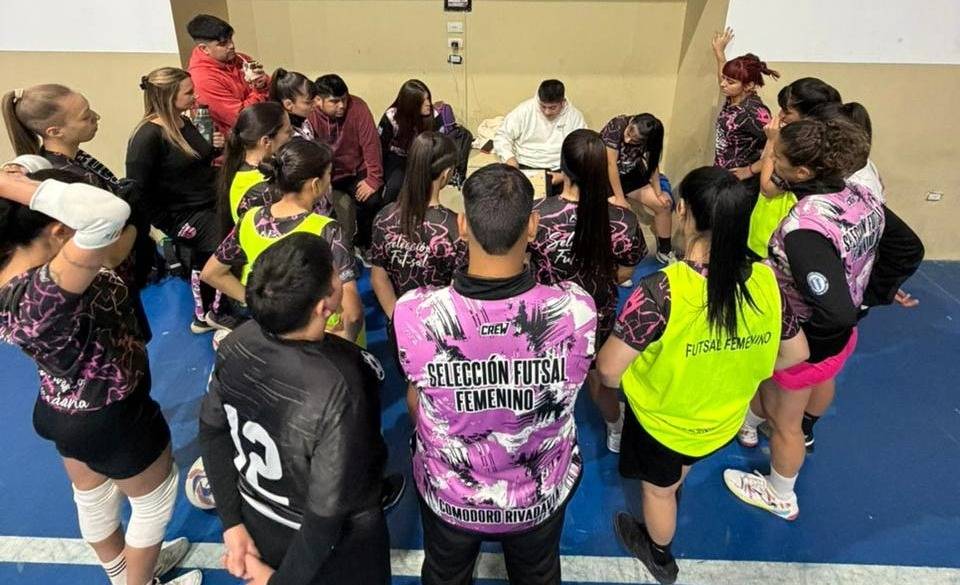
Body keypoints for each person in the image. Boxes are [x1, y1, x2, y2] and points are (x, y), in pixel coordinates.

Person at [596, 167, 809, 585]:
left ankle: (659, 554)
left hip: (663, 422)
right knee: (681, 470)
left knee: (658, 492)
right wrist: (741, 367)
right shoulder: (767, 282)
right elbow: (797, 352)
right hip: (722, 419)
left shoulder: (663, 290)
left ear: (682, 211)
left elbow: (607, 369)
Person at [394, 164, 597, 585]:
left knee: (445, 575)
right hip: (539, 497)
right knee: (537, 575)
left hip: (450, 495)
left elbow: (417, 399)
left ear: (462, 225)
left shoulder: (415, 313)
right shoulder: (576, 311)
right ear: (532, 225)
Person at [0, 173, 199, 585]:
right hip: (111, 414)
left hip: (60, 406)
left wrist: (18, 180)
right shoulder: (40, 295)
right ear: (58, 230)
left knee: (93, 498)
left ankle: (123, 574)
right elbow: (107, 214)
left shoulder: (16, 276)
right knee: (154, 502)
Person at [198, 233, 391, 585]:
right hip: (331, 547)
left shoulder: (234, 343)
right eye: (334, 272)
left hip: (259, 518)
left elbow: (212, 431)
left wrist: (232, 522)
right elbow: (327, 509)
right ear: (323, 306)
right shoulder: (345, 380)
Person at [723, 117, 884, 520]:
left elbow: (835, 312)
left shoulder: (804, 230)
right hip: (838, 338)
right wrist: (868, 294)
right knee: (805, 386)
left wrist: (801, 348)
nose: (771, 160)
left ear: (802, 172)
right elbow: (906, 247)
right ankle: (750, 422)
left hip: (807, 341)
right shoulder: (860, 194)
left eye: (778, 156)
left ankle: (780, 494)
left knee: (787, 424)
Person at [3, 84, 156, 336]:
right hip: (99, 296)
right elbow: (110, 256)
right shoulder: (65, 182)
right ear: (55, 131)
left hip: (121, 284)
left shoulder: (76, 161)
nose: (96, 117)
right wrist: (136, 221)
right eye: (85, 117)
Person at [527, 129, 646, 452]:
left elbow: (522, 261)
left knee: (543, 378)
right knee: (597, 378)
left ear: (562, 167)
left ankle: (539, 437)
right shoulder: (623, 221)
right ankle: (615, 428)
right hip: (598, 313)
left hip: (546, 316)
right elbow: (626, 271)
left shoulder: (537, 214)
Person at [200, 138, 364, 343]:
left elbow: (211, 273)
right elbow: (352, 313)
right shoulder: (327, 230)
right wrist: (344, 344)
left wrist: (258, 305)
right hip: (323, 333)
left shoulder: (250, 219)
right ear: (315, 184)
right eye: (329, 174)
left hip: (274, 335)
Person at [126, 67, 230, 335]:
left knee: (224, 248)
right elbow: (137, 190)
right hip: (183, 214)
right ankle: (205, 315)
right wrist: (169, 224)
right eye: (188, 92)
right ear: (169, 96)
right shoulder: (147, 136)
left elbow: (192, 162)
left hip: (208, 202)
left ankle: (220, 307)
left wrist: (214, 149)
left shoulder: (184, 122)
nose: (195, 97)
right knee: (215, 253)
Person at [312, 74, 384, 249]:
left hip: (355, 169)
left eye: (344, 99)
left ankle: (365, 243)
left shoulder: (358, 107)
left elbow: (371, 145)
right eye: (334, 101)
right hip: (325, 173)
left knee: (372, 201)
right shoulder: (310, 115)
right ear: (318, 101)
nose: (342, 105)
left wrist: (373, 179)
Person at [601, 113, 674, 263]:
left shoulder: (652, 138)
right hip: (605, 174)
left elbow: (652, 163)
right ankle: (613, 258)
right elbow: (611, 165)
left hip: (630, 173)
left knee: (663, 205)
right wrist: (620, 198)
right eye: (629, 133)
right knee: (618, 211)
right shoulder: (617, 125)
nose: (628, 140)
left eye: (635, 140)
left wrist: (658, 192)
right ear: (631, 121)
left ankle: (665, 250)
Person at [493, 79, 587, 197]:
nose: (547, 112)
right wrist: (509, 159)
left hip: (559, 170)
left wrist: (565, 176)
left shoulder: (574, 116)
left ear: (562, 103)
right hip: (525, 166)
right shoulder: (524, 110)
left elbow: (583, 148)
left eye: (552, 108)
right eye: (543, 106)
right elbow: (502, 136)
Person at [711, 28, 779, 183]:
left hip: (739, 183)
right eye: (724, 78)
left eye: (730, 82)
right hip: (721, 175)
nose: (723, 84)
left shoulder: (754, 112)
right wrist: (719, 53)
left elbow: (776, 145)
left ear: (749, 85)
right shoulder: (733, 97)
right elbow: (724, 77)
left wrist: (750, 170)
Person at [217, 101, 292, 234]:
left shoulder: (261, 167)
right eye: (288, 132)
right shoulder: (261, 190)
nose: (292, 137)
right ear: (266, 141)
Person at [186, 14, 269, 134]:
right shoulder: (202, 79)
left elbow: (269, 86)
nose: (231, 46)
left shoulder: (241, 59)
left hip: (263, 127)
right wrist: (260, 90)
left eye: (231, 39)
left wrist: (264, 82)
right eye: (223, 43)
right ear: (204, 49)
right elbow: (242, 118)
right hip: (236, 139)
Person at [378, 79, 444, 210]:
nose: (428, 104)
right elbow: (380, 147)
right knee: (395, 186)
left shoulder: (435, 117)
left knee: (424, 187)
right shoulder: (392, 117)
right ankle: (388, 216)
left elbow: (440, 146)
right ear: (411, 104)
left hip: (424, 158)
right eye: (423, 101)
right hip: (398, 158)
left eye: (428, 99)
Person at [269, 68, 319, 141]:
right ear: (288, 105)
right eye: (308, 102)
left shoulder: (303, 121)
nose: (315, 105)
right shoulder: (286, 137)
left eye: (314, 100)